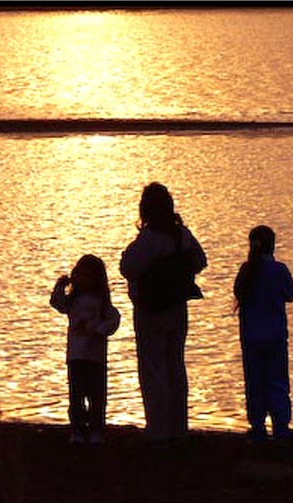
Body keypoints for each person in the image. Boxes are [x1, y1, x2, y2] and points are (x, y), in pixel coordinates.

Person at [120, 182, 207, 443]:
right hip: (177, 308)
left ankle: (158, 431)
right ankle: (178, 428)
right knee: (175, 367)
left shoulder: (149, 238)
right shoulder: (182, 235)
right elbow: (201, 261)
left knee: (153, 369)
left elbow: (128, 268)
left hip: (151, 309)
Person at [233, 225, 293, 442]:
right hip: (276, 336)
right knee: (278, 381)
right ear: (273, 245)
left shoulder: (246, 270)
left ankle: (258, 427)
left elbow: (238, 293)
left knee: (255, 382)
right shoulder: (279, 270)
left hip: (251, 337)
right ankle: (281, 428)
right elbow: (290, 295)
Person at [50, 254, 121, 445]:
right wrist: (60, 285)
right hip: (76, 355)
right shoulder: (73, 300)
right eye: (81, 274)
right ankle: (78, 430)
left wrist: (98, 331)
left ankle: (96, 429)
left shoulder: (101, 302)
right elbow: (57, 303)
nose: (84, 279)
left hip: (95, 356)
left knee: (97, 396)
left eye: (89, 275)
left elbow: (113, 319)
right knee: (76, 395)